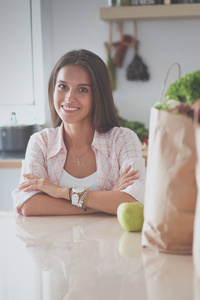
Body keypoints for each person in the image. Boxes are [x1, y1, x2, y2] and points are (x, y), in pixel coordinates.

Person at [12, 49, 145, 216]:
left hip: (109, 241)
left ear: (98, 95)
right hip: (53, 241)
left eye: (82, 89)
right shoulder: (41, 142)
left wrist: (62, 192)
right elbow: (28, 205)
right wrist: (105, 201)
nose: (69, 98)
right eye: (62, 86)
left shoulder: (123, 139)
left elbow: (133, 201)